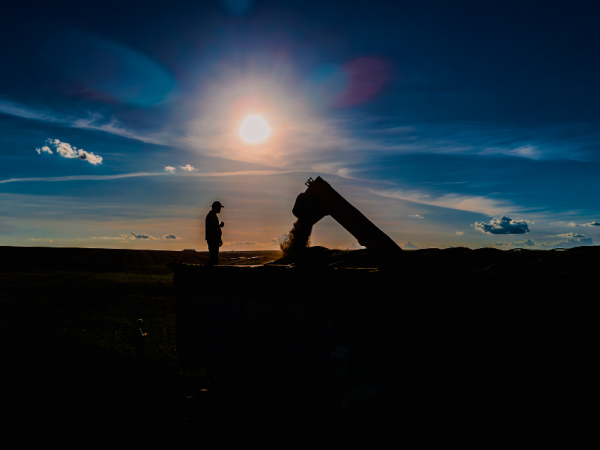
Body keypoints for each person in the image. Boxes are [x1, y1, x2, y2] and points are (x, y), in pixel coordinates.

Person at [205, 201, 225, 266]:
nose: (220, 209)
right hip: (213, 240)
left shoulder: (212, 215)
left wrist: (219, 226)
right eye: (219, 208)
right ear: (216, 207)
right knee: (213, 257)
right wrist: (219, 239)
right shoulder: (212, 215)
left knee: (214, 257)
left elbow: (214, 227)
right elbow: (214, 229)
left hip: (213, 239)